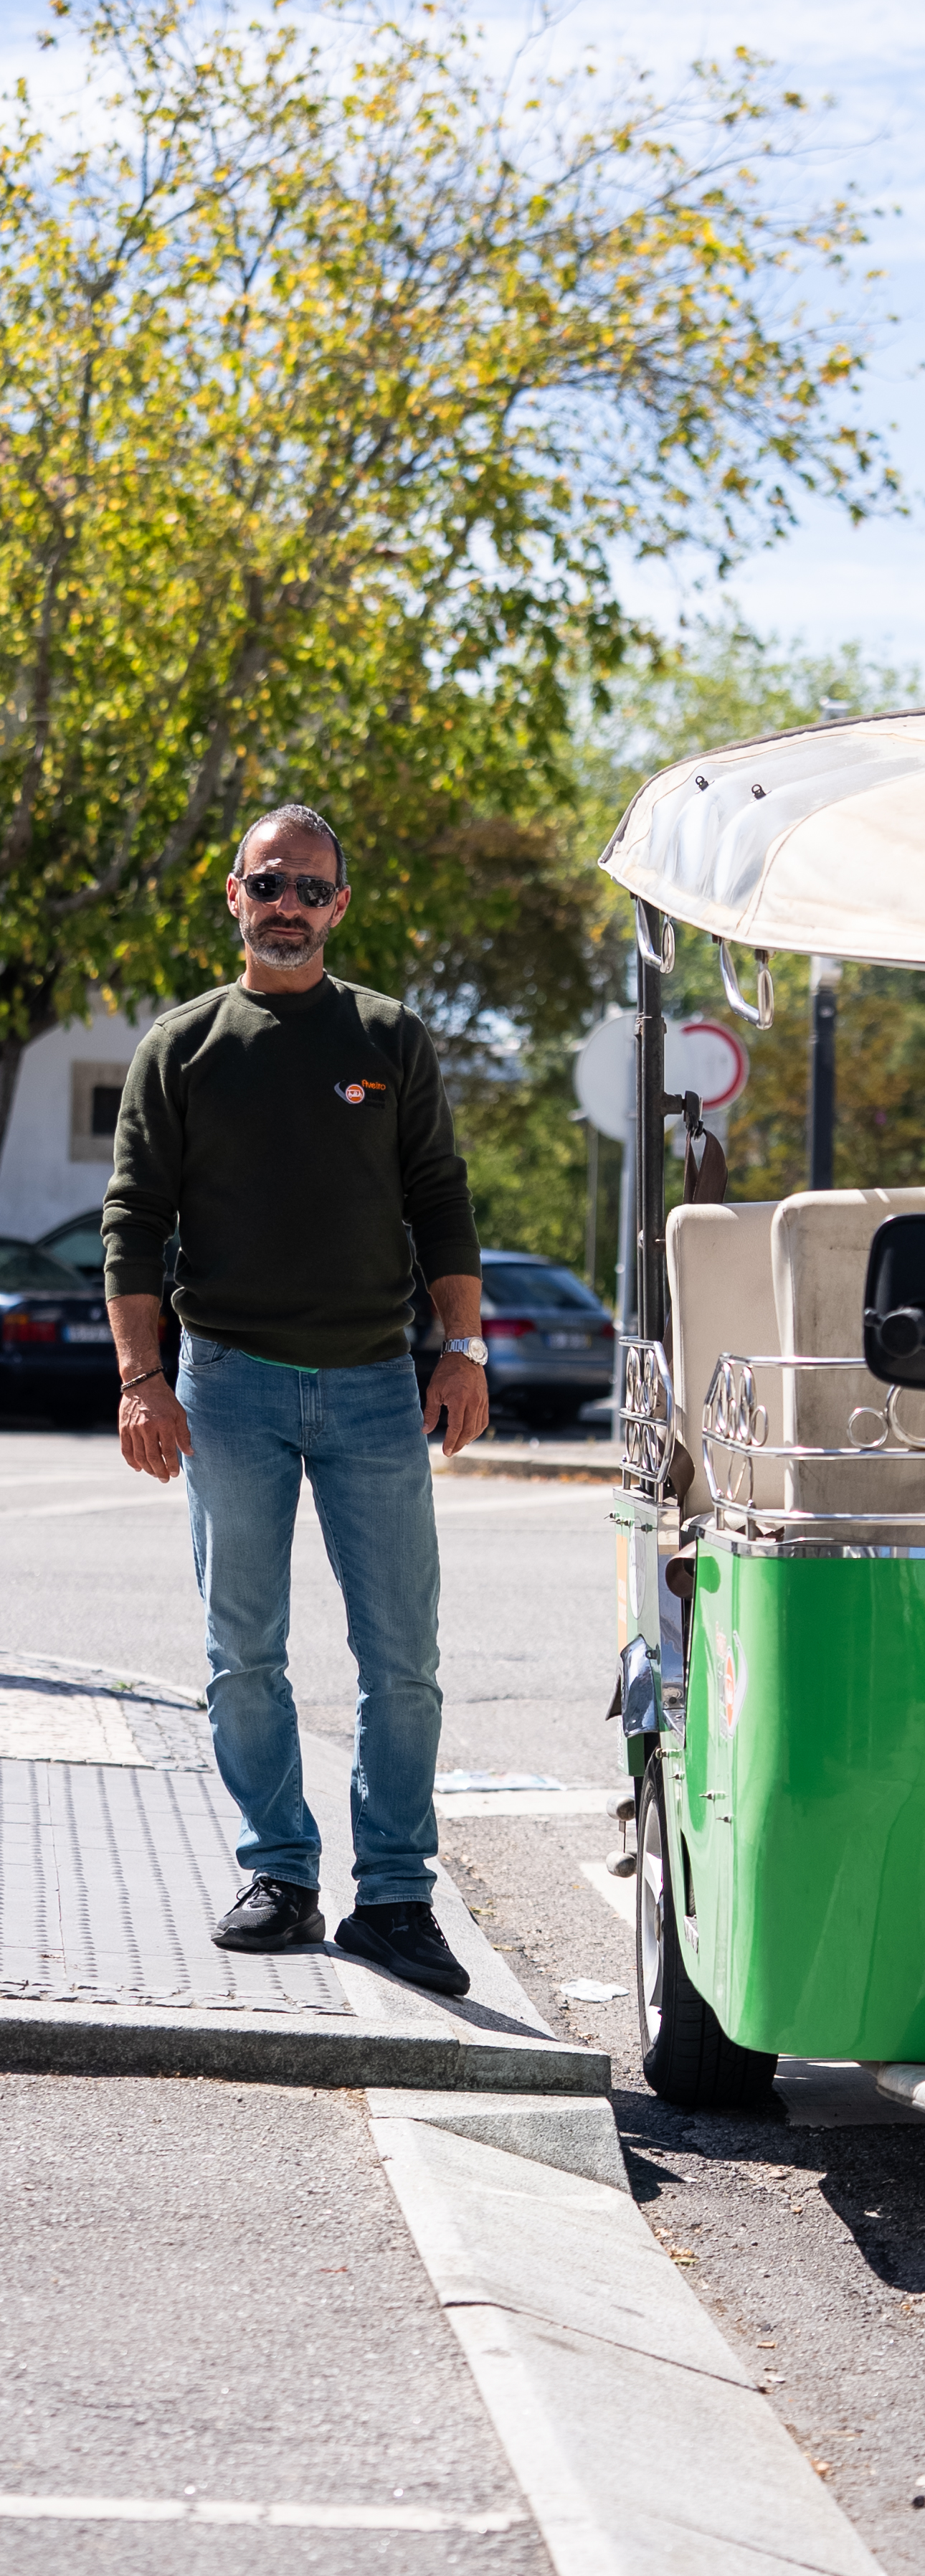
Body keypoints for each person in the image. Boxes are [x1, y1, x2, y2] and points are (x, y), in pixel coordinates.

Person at [101, 802, 488, 1999]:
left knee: (402, 1659)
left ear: (339, 907)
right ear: (234, 893)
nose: (288, 905)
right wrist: (141, 1379)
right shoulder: (182, 1047)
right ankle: (279, 1872)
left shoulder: (388, 1037)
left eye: (311, 888)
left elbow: (440, 1198)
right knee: (243, 1653)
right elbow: (133, 1222)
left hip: (376, 1385)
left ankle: (396, 1898)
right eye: (269, 883)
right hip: (228, 1386)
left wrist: (464, 1348)